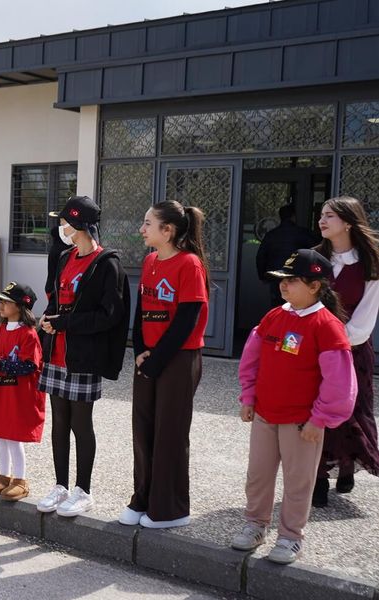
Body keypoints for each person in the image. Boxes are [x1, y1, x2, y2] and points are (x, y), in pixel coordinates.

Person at [231, 249, 355, 564]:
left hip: (302, 421)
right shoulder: (273, 316)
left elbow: (339, 382)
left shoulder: (326, 326)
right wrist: (248, 396)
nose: (284, 286)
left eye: (293, 280)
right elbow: (251, 360)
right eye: (282, 280)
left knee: (298, 481)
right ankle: (255, 525)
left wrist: (321, 419)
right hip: (265, 414)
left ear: (315, 286)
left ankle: (290, 537)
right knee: (257, 475)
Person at [37, 196, 130, 517]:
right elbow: (54, 297)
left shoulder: (107, 264)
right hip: (57, 353)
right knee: (59, 422)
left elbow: (109, 316)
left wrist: (65, 323)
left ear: (77, 225)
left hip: (83, 355)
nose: (60, 227)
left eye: (64, 222)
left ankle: (83, 490)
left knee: (81, 423)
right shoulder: (64, 257)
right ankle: (61, 486)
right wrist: (48, 321)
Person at [121, 200, 209, 530]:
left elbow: (187, 319)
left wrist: (157, 360)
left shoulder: (189, 264)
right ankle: (142, 498)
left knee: (169, 433)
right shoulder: (149, 261)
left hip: (178, 358)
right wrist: (140, 351)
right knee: (142, 429)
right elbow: (144, 310)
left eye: (148, 224)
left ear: (167, 230)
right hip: (150, 358)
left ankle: (170, 508)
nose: (141, 229)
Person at [313, 196, 379, 506]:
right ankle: (317, 478)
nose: (322, 220)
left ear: (349, 222)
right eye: (321, 215)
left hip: (352, 349)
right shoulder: (312, 258)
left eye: (330, 216)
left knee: (352, 410)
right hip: (314, 350)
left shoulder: (370, 263)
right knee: (315, 410)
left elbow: (366, 316)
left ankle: (347, 464)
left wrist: (337, 341)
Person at [0, 282, 45, 502]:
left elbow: (30, 365)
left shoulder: (28, 334)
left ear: (20, 306)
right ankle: (4, 476)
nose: (2, 305)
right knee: (0, 434)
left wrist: (2, 365)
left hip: (18, 393)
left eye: (7, 302)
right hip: (1, 390)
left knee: (14, 436)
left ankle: (20, 480)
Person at [256, 204, 316, 306]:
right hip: (297, 276)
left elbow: (260, 257)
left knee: (278, 307)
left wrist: (263, 276)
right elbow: (315, 252)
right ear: (293, 216)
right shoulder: (303, 233)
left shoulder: (272, 235)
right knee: (297, 307)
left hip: (276, 277)